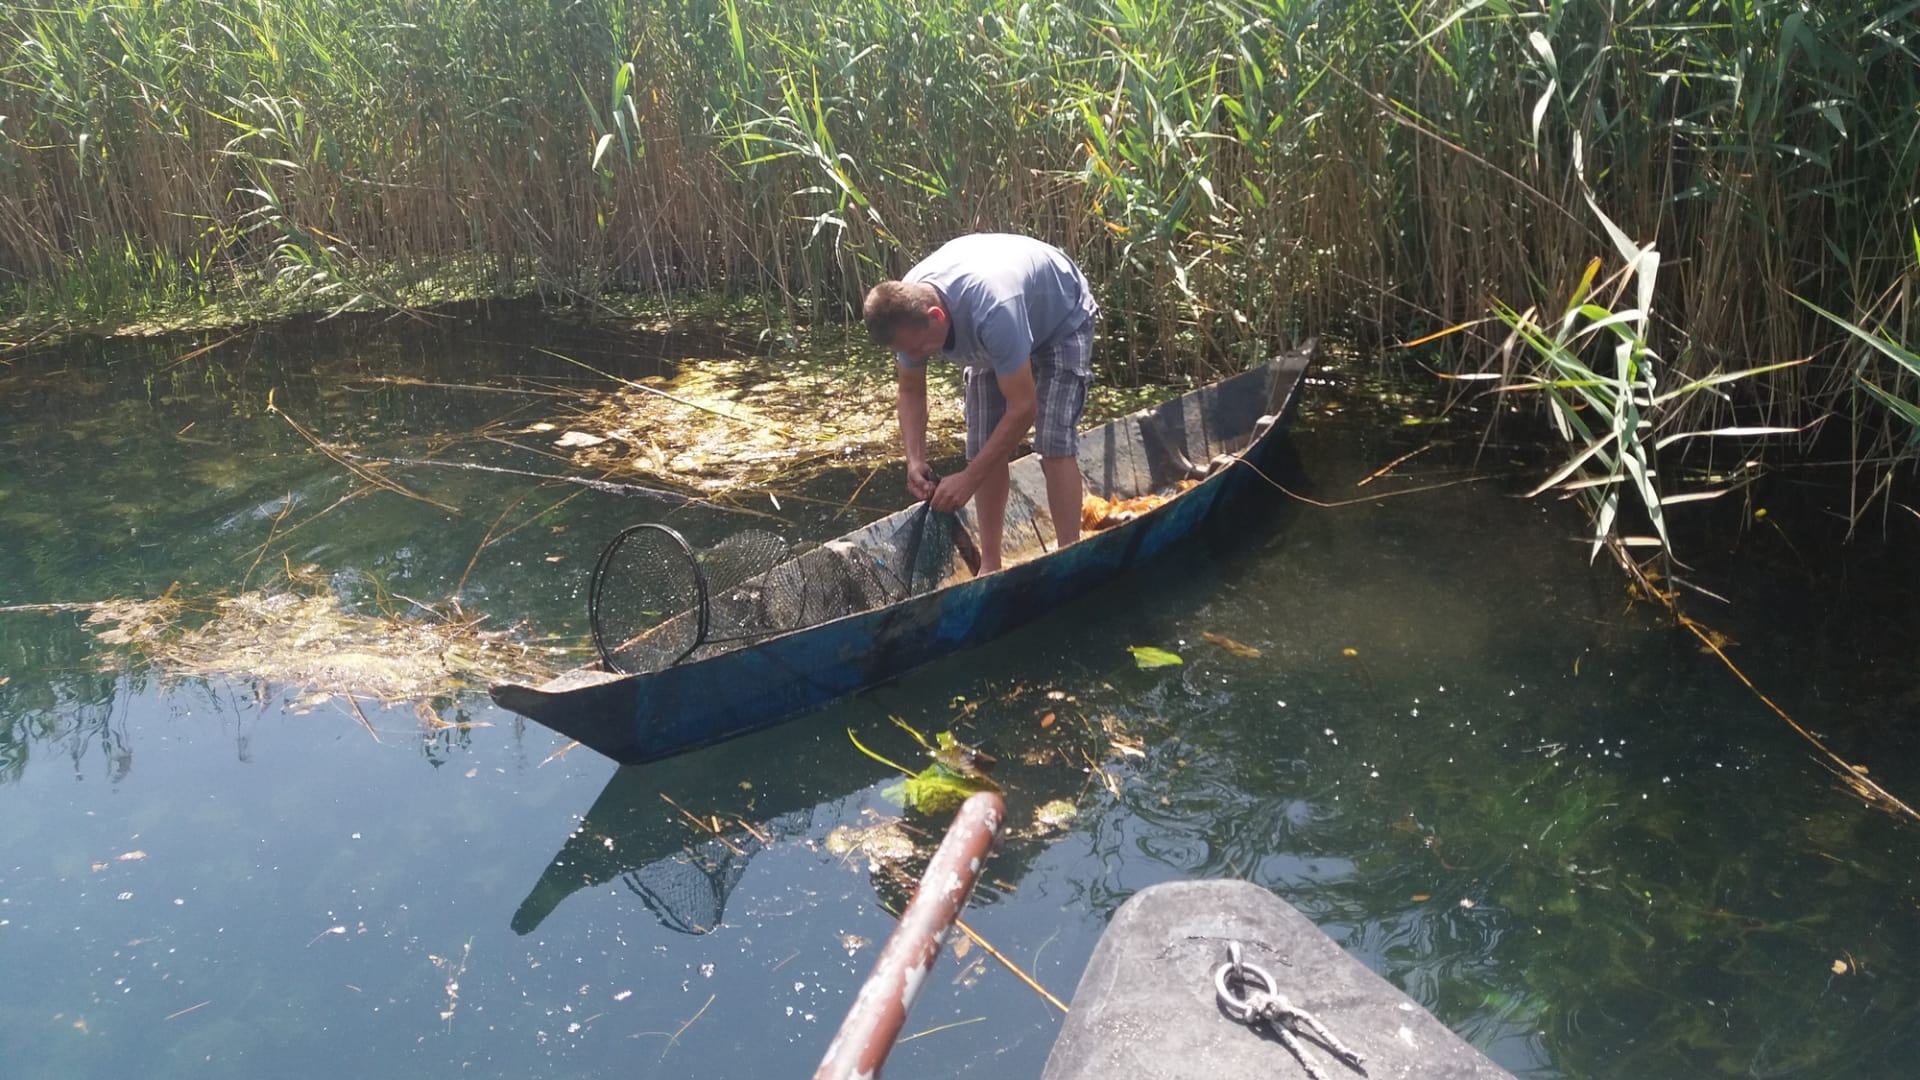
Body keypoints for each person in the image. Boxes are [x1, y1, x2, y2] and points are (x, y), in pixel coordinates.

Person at [862, 234, 1098, 574]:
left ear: (936, 316)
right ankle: (991, 564)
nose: (914, 357)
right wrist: (914, 460)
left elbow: (1024, 407)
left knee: (1054, 442)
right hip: (999, 327)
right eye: (905, 351)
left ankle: (1069, 556)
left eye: (919, 348)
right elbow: (911, 390)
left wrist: (970, 479)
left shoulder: (993, 310)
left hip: (1060, 316)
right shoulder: (903, 310)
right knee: (982, 446)